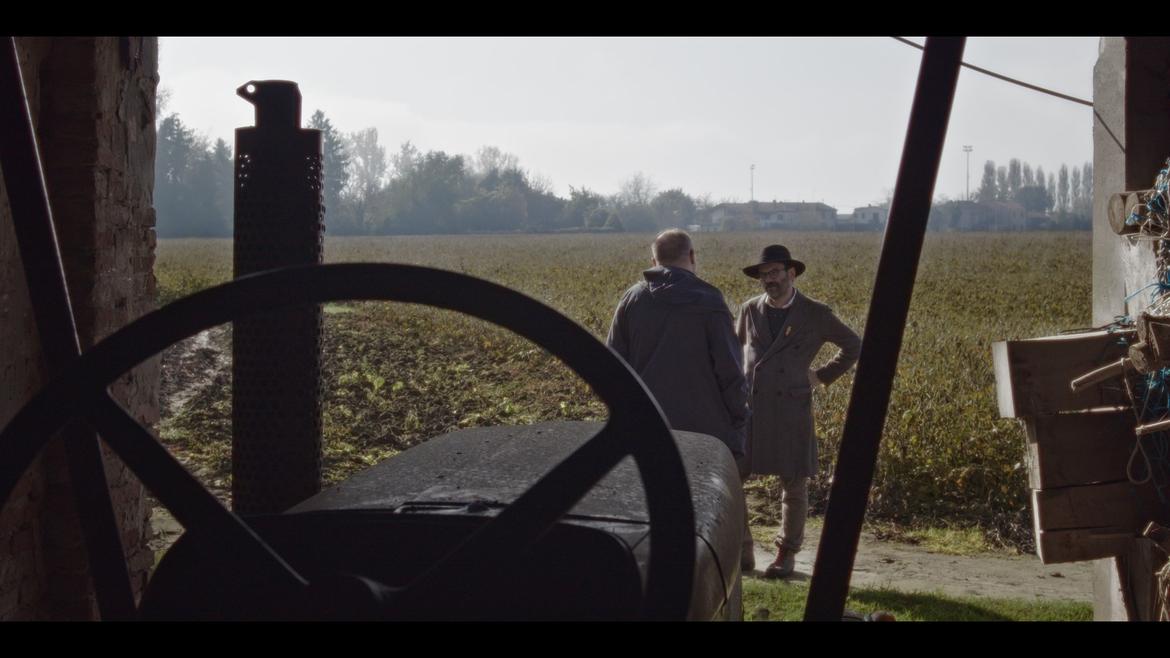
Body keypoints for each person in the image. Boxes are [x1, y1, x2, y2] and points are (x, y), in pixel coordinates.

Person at [606, 230, 750, 563]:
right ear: (693, 256)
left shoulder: (632, 299)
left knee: (654, 499)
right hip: (706, 429)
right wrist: (739, 417)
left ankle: (655, 563)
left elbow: (614, 364)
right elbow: (730, 369)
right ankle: (718, 564)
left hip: (649, 426)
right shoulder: (710, 301)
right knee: (707, 504)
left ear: (653, 259)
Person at [736, 244, 861, 579]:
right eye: (764, 275)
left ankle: (785, 554)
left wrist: (821, 376)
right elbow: (735, 352)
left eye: (775, 272)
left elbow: (854, 346)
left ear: (792, 274)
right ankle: (742, 550)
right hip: (752, 408)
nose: (769, 280)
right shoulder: (749, 310)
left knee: (793, 483)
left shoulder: (815, 313)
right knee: (732, 478)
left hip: (791, 407)